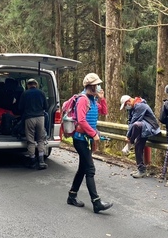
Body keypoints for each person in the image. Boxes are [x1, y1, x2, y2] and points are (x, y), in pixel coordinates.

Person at [65, 72, 113, 213]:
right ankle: (96, 202)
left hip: (86, 139)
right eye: (96, 85)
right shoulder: (83, 100)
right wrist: (93, 134)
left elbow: (104, 112)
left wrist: (102, 99)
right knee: (90, 169)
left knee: (82, 169)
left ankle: (72, 196)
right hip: (80, 139)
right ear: (90, 86)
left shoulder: (92, 100)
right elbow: (81, 120)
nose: (98, 87)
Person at [121, 94, 160, 178]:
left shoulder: (140, 105)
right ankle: (141, 169)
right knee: (138, 146)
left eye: (125, 105)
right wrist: (128, 135)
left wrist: (128, 137)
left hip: (150, 128)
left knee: (136, 124)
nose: (125, 107)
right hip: (142, 129)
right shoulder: (132, 108)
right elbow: (130, 121)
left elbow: (135, 121)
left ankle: (129, 143)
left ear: (128, 101)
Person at [20, 78, 48, 169]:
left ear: (28, 85)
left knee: (30, 140)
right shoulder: (41, 93)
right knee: (40, 139)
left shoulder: (25, 93)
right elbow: (46, 106)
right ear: (36, 84)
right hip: (40, 118)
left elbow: (20, 107)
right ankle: (41, 161)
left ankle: (32, 161)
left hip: (29, 118)